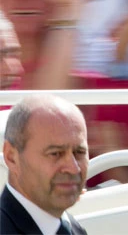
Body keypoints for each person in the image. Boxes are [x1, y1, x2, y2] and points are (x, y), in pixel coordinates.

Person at [1, 95, 89, 235]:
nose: (73, 168)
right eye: (55, 154)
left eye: (79, 152)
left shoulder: (72, 228)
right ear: (11, 158)